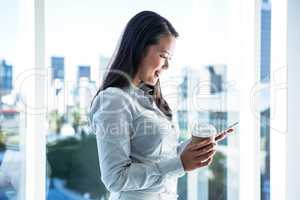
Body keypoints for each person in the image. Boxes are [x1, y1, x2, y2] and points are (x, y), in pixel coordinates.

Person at [89, 10, 224, 200]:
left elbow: (159, 158)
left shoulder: (151, 98)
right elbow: (115, 178)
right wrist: (180, 164)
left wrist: (194, 147)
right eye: (163, 55)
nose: (167, 66)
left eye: (170, 58)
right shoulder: (114, 101)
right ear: (139, 48)